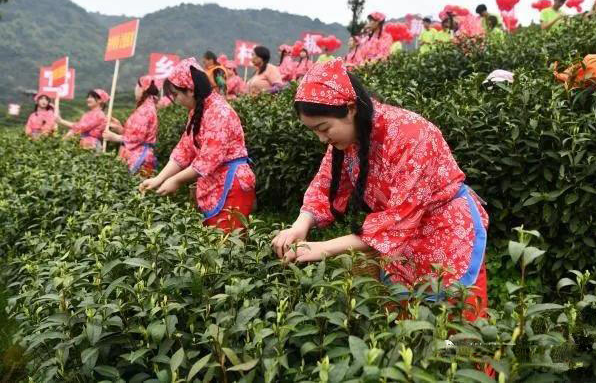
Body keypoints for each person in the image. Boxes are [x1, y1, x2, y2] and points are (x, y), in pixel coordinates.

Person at [271, 59, 489, 321]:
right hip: (401, 247)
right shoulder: (350, 137)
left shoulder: (412, 135)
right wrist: (300, 224)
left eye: (324, 128)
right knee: (405, 331)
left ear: (350, 108)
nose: (321, 138)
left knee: (459, 334)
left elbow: (399, 219)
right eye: (314, 131)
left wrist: (324, 248)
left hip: (445, 235)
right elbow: (325, 183)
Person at [139, 58, 256, 232]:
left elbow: (208, 160)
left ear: (191, 90)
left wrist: (176, 180)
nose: (176, 100)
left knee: (228, 246)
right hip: (214, 181)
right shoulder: (198, 111)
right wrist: (159, 178)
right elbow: (183, 151)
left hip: (232, 184)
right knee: (213, 243)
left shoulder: (219, 113)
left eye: (176, 94)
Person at [102, 76, 159, 175]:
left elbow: (137, 138)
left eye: (136, 86)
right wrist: (120, 128)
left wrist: (115, 137)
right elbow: (136, 133)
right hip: (136, 155)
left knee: (137, 188)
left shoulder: (145, 110)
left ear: (142, 88)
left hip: (139, 158)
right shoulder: (145, 106)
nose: (135, 89)